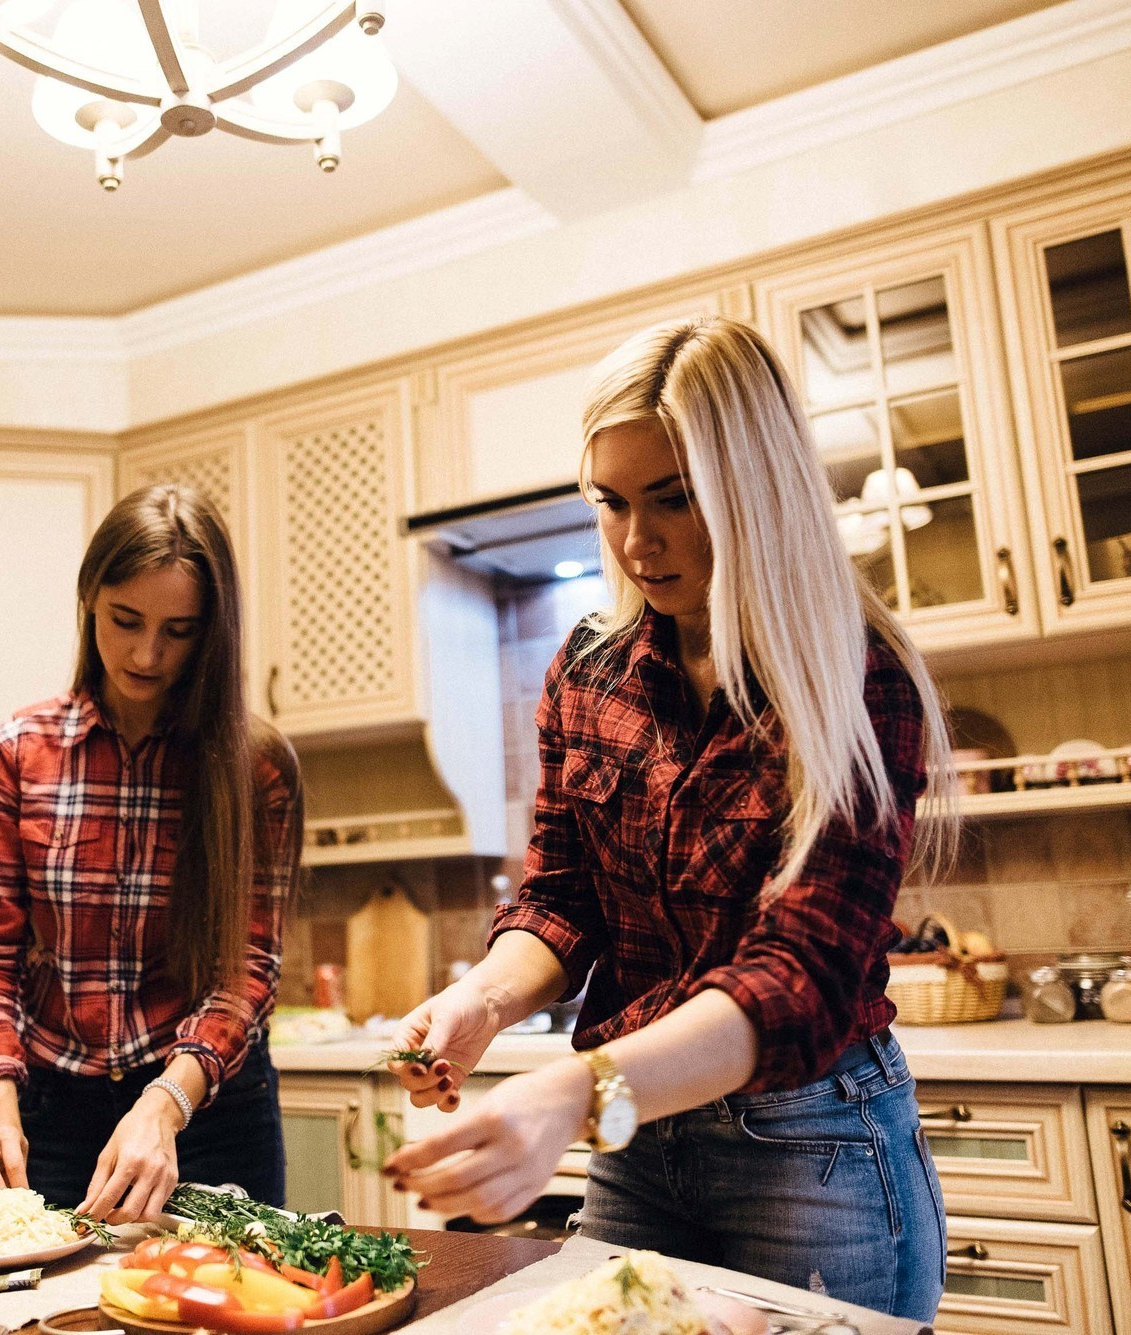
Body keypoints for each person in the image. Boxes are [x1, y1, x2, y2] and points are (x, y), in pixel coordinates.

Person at [380, 317, 958, 1321]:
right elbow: (563, 899)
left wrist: (576, 1089)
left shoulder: (852, 677)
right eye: (609, 503)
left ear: (754, 493)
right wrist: (483, 999)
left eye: (673, 501)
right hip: (637, 1144)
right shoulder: (591, 669)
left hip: (812, 1144)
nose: (635, 541)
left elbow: (800, 979)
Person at [0, 484, 302, 1223]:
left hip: (206, 1108)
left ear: (213, 630)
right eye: (126, 619)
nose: (147, 653)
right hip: (52, 1112)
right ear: (89, 599)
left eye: (179, 630)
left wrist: (165, 1103)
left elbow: (246, 970)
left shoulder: (254, 766)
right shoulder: (19, 753)